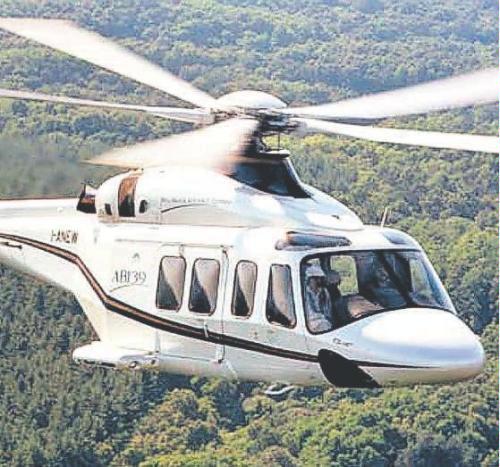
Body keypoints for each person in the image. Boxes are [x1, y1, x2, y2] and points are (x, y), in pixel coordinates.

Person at [304, 264, 334, 333]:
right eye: (315, 278)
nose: (318, 281)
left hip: (325, 322)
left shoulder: (324, 292)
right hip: (311, 325)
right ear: (309, 279)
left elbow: (328, 311)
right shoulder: (304, 294)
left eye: (320, 278)